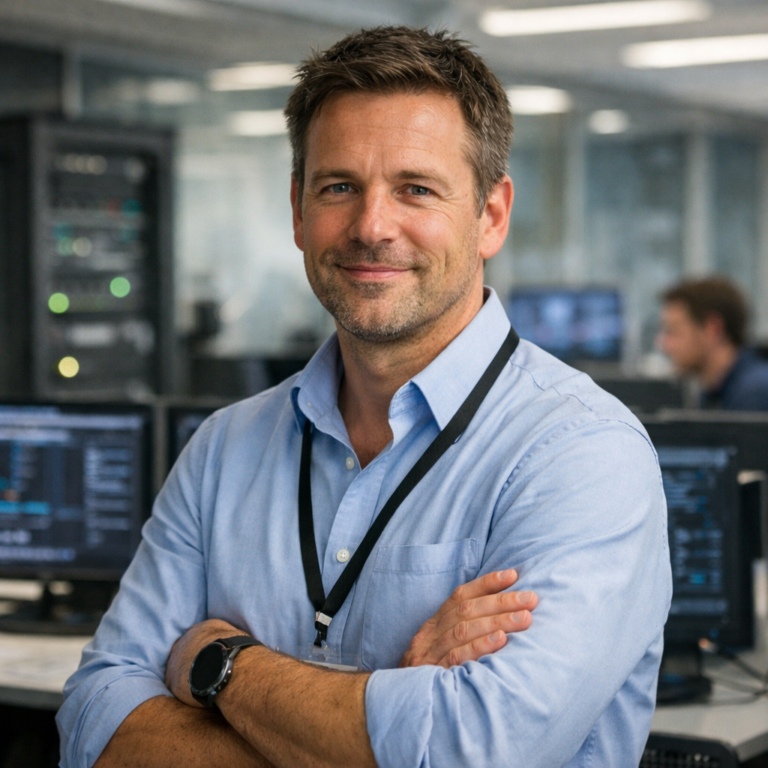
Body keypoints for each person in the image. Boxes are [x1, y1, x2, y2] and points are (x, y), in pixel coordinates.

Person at [58, 27, 671, 768]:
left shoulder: (581, 455)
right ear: (298, 210)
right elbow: (96, 723)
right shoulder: (224, 447)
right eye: (339, 187)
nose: (372, 227)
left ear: (492, 215)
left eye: (416, 189)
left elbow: (476, 753)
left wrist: (222, 666)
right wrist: (384, 710)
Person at [658, 276, 768, 411]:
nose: (663, 345)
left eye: (673, 331)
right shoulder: (718, 393)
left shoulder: (755, 396)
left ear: (713, 329)